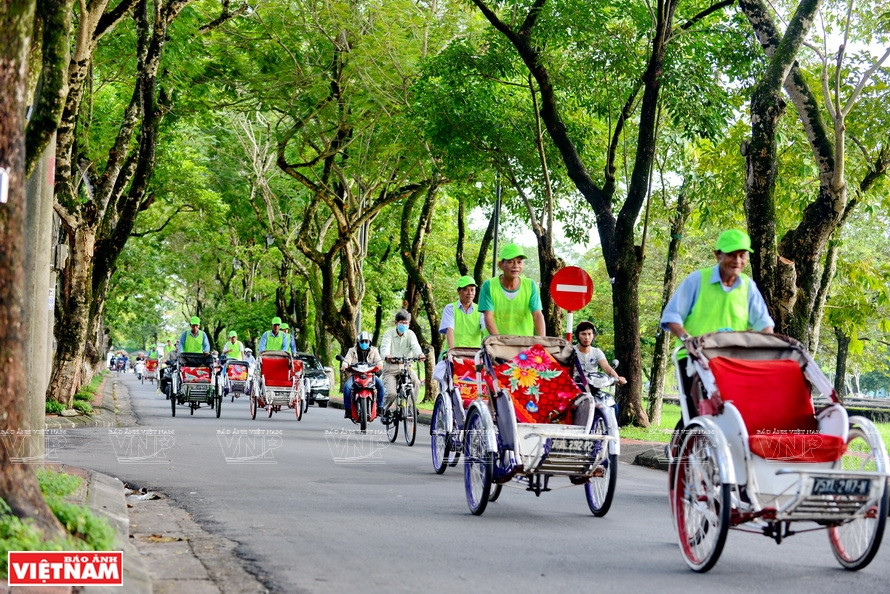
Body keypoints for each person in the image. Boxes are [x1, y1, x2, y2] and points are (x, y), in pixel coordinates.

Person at [660, 229, 775, 409]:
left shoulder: (748, 287)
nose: (737, 261)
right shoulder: (697, 280)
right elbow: (672, 316)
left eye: (742, 255)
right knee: (698, 410)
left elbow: (764, 324)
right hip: (694, 357)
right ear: (718, 255)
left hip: (733, 359)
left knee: (737, 411)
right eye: (731, 254)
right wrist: (687, 340)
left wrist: (766, 348)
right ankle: (686, 437)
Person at [478, 243, 546, 337]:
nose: (516, 266)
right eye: (510, 262)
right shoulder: (489, 285)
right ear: (501, 265)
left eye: (519, 262)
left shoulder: (530, 285)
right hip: (495, 343)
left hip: (523, 344)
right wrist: (500, 342)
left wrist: (542, 341)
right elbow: (488, 317)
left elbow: (537, 315)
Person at [379, 309, 426, 415]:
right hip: (391, 368)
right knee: (391, 394)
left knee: (416, 382)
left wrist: (420, 355)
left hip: (406, 367)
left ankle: (410, 406)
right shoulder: (388, 334)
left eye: (406, 323)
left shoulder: (410, 334)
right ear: (396, 323)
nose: (404, 325)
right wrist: (387, 356)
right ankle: (384, 410)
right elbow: (384, 348)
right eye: (402, 323)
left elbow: (415, 347)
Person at [340, 331, 385, 419]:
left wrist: (380, 365)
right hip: (355, 376)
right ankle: (348, 410)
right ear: (358, 342)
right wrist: (344, 365)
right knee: (346, 387)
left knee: (382, 387)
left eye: (366, 341)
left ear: (370, 342)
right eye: (362, 341)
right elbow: (346, 360)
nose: (364, 343)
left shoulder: (374, 350)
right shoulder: (352, 350)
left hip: (371, 375)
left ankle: (380, 407)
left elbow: (379, 361)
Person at [439, 275, 485, 349]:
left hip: (474, 354)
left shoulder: (480, 310)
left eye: (472, 290)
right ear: (458, 291)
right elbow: (449, 329)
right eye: (465, 290)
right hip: (454, 351)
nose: (470, 293)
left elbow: (485, 329)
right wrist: (452, 350)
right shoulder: (450, 308)